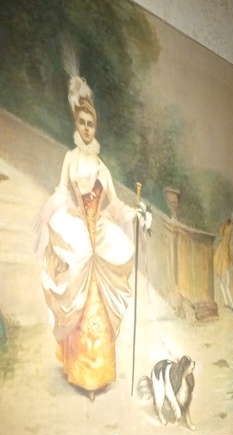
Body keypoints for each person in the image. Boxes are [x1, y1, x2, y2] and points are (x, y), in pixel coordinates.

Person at [34, 72, 136, 401]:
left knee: (98, 306)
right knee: (77, 301)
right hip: (79, 235)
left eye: (91, 123)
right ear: (76, 124)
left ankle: (98, 376)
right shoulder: (70, 158)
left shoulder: (102, 167)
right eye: (82, 122)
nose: (87, 128)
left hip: (98, 239)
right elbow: (62, 192)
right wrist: (60, 219)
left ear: (96, 127)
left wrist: (135, 214)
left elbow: (114, 204)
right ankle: (79, 372)